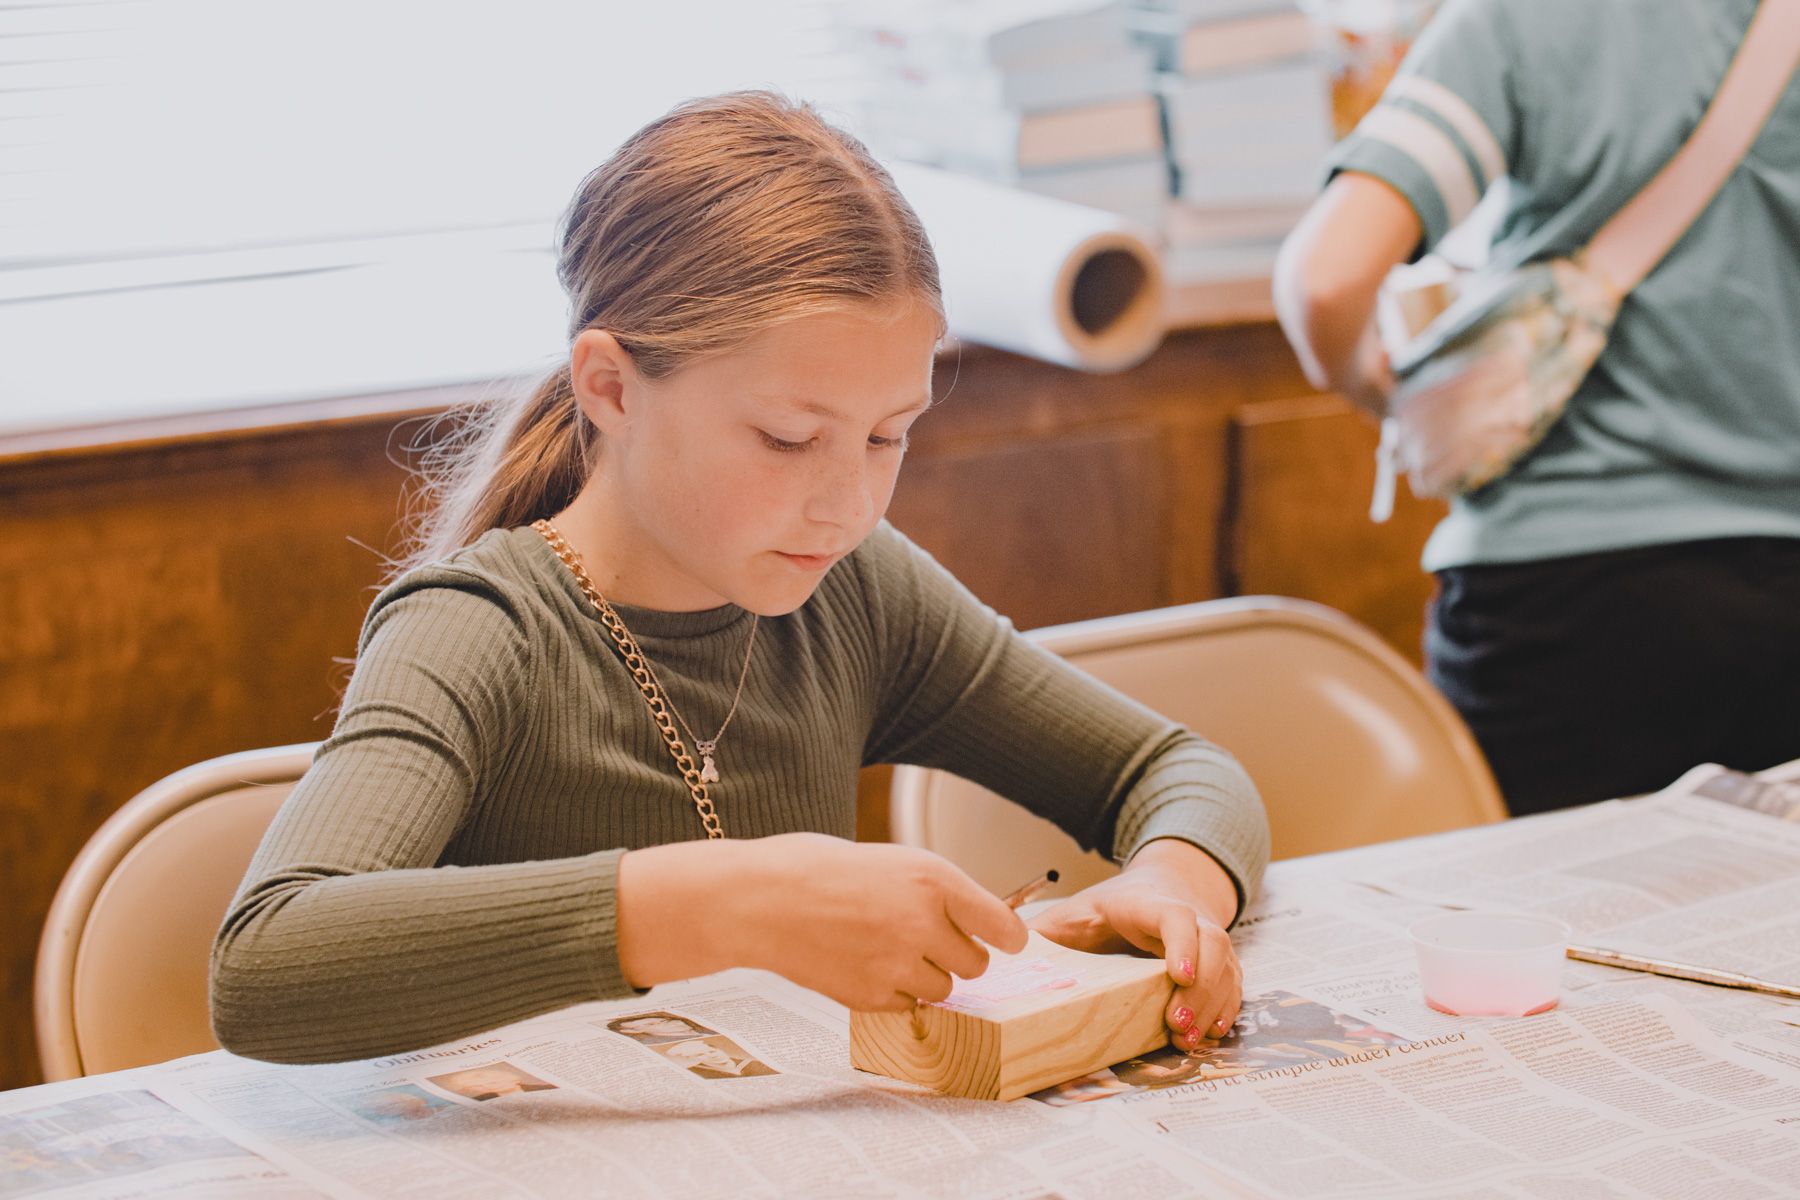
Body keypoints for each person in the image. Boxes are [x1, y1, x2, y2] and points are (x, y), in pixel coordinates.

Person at [209, 91, 1269, 1067]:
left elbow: (1175, 769)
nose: (847, 505)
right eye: (785, 438)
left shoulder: (855, 592)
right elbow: (265, 963)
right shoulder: (482, 629)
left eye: (888, 436)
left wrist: (1171, 885)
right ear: (613, 388)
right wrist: (732, 903)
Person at [1273, 0, 1800, 814]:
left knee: (1530, 928)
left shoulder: (1520, 20)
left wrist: (1382, 394)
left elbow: (1326, 278)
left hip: (1565, 602)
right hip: (1783, 589)